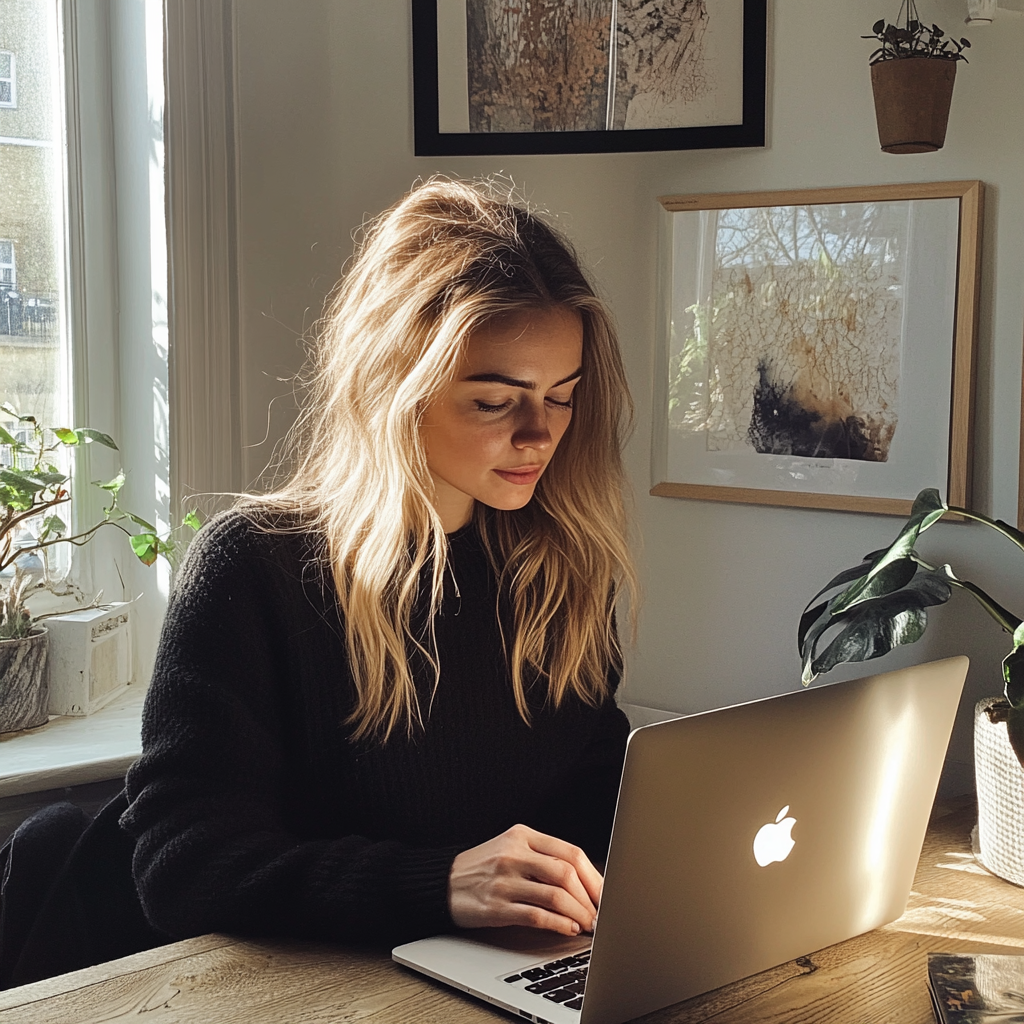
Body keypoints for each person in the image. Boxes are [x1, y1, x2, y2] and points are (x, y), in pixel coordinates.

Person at [0, 177, 637, 987]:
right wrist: (438, 885)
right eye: (494, 400)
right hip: (210, 986)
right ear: (393, 387)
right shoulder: (256, 566)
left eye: (562, 397)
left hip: (438, 979)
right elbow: (183, 865)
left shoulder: (557, 573)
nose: (539, 433)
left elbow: (591, 806)